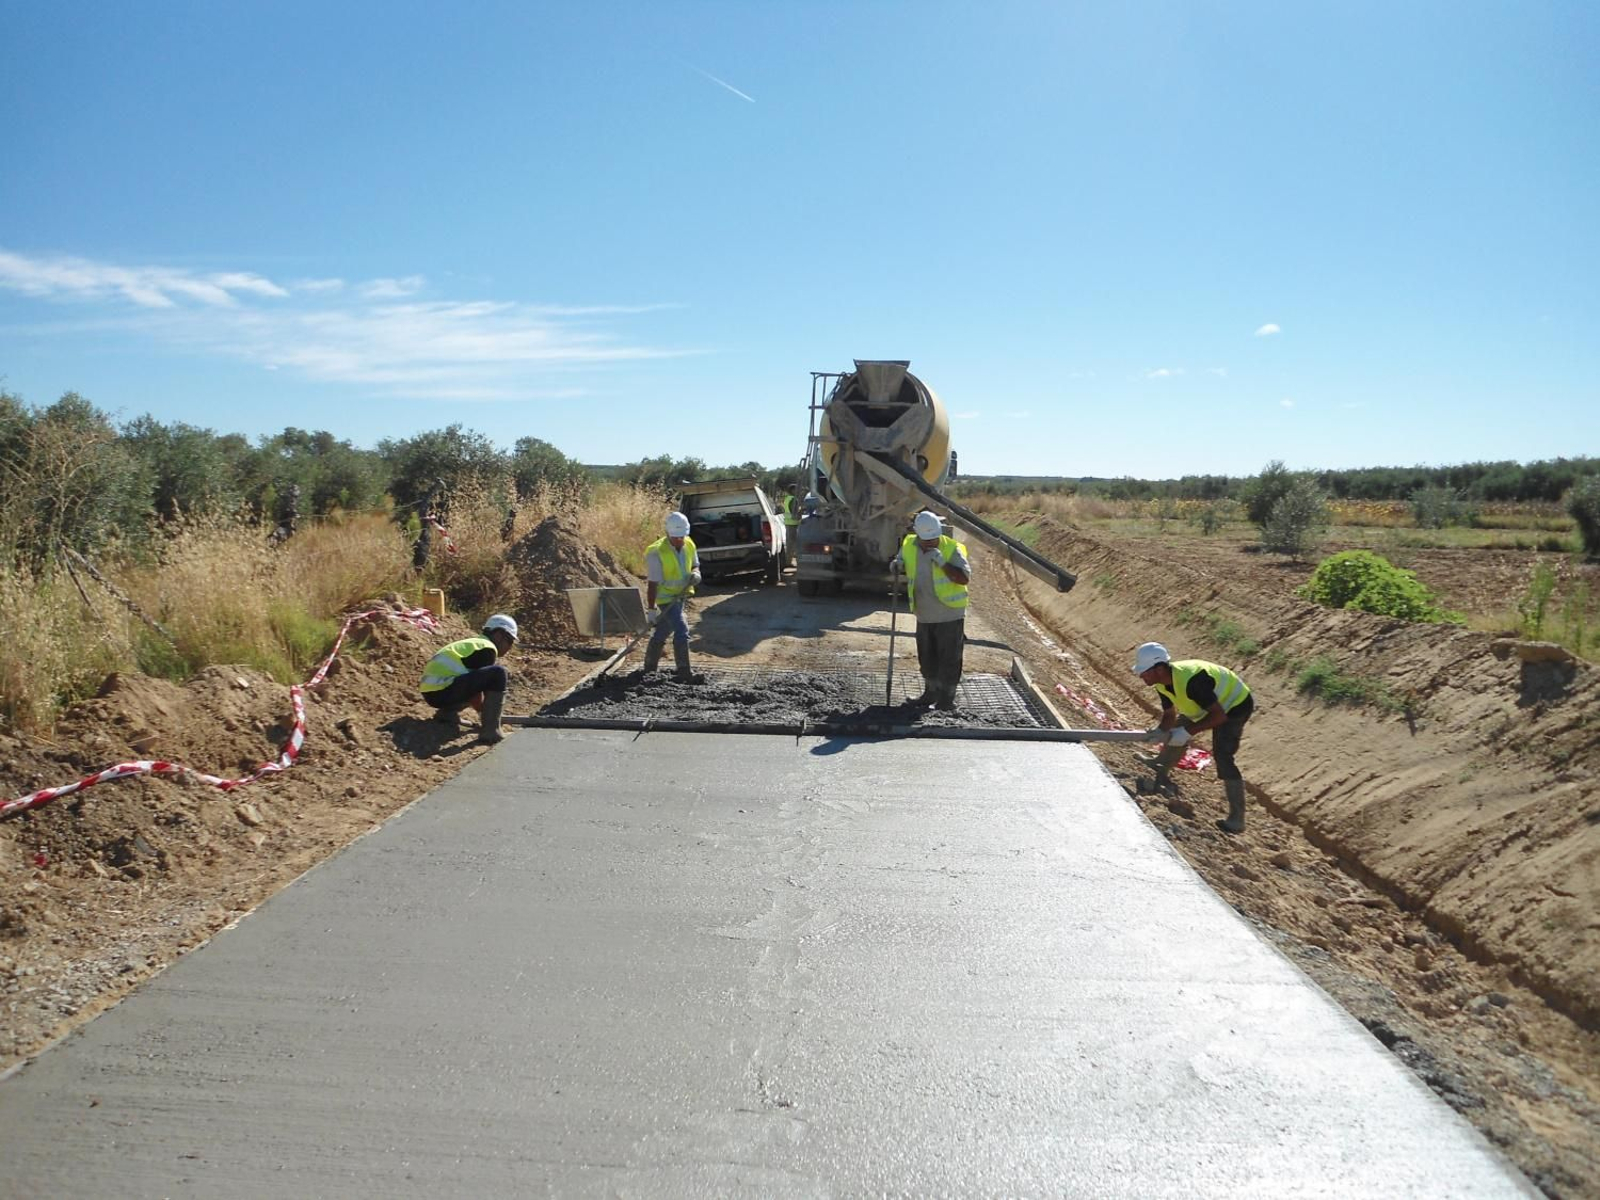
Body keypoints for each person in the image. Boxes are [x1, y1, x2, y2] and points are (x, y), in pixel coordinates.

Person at [1132, 642, 1255, 833]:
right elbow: (1169, 714)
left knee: (1223, 755)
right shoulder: (1161, 682)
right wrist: (1160, 731)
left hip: (1234, 705)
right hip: (1204, 704)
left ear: (1159, 668)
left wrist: (1187, 732)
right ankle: (1160, 766)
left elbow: (1218, 716)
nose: (1141, 676)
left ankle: (1237, 819)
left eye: (1145, 672)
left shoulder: (1193, 681)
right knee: (1176, 729)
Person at [892, 510, 971, 710]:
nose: (930, 543)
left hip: (950, 614)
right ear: (917, 534)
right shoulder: (909, 544)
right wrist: (896, 564)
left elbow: (964, 578)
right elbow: (900, 560)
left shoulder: (952, 548)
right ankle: (930, 694)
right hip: (924, 614)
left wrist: (942, 562)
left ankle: (946, 701)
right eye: (926, 540)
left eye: (933, 539)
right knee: (927, 658)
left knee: (949, 659)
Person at [419, 613, 519, 745]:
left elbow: (472, 684)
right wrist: (486, 714)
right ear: (499, 635)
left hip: (432, 692)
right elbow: (477, 691)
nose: (510, 647)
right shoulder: (486, 648)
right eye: (509, 641)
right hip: (443, 690)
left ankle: (447, 714)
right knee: (498, 673)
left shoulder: (474, 644)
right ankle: (491, 732)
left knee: (475, 677)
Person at [642, 511, 701, 681]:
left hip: (680, 597)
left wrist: (696, 574)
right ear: (668, 533)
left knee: (663, 631)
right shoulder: (656, 552)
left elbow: (695, 565)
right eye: (676, 537)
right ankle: (684, 672)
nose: (679, 540)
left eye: (682, 537)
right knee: (682, 630)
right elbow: (652, 585)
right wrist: (651, 610)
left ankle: (649, 668)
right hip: (665, 598)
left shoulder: (689, 543)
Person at [780, 487, 802, 569]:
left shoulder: (787, 499)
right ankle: (799, 562)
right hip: (793, 524)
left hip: (788, 523)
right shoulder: (793, 499)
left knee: (790, 544)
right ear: (792, 490)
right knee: (794, 544)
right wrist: (801, 512)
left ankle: (788, 561)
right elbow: (795, 513)